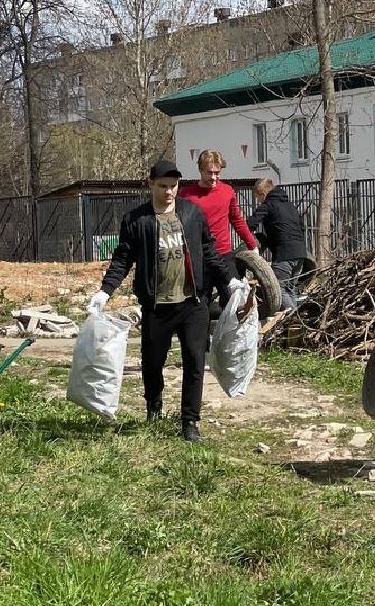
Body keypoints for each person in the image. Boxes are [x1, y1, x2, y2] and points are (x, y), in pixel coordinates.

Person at [89, 159, 251, 442]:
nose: (168, 192)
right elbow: (122, 259)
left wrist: (229, 279)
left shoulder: (191, 214)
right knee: (152, 363)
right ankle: (154, 407)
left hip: (193, 303)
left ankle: (190, 422)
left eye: (173, 186)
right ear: (151, 183)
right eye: (163, 186)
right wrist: (105, 291)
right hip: (157, 306)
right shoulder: (137, 220)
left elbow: (209, 251)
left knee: (195, 361)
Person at [179, 149, 259, 259]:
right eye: (209, 172)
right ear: (200, 170)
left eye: (217, 173)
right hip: (198, 255)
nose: (213, 177)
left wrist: (252, 245)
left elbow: (237, 220)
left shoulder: (227, 191)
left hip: (223, 253)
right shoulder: (187, 195)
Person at [249, 178, 309, 311]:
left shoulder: (268, 204)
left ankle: (294, 321)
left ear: (262, 194)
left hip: (284, 254)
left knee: (280, 290)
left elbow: (251, 224)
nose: (258, 201)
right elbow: (302, 227)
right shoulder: (290, 205)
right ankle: (296, 326)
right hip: (300, 254)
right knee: (290, 289)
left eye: (257, 198)